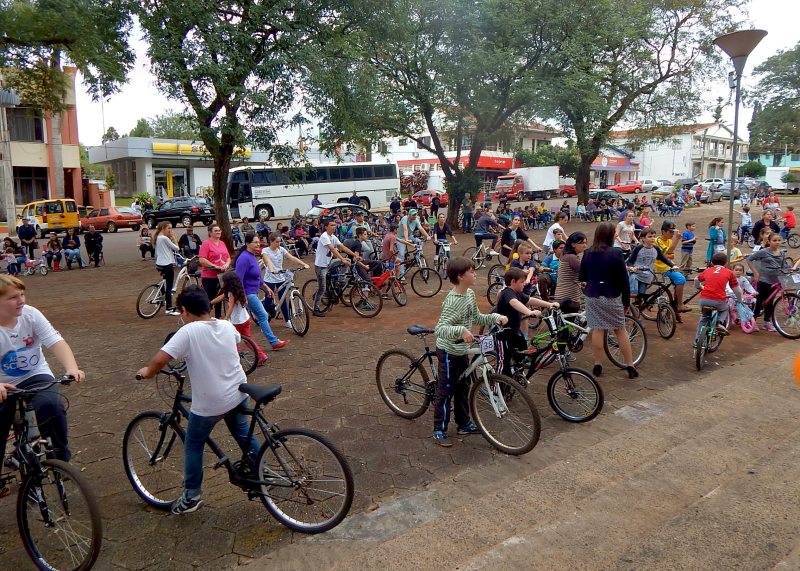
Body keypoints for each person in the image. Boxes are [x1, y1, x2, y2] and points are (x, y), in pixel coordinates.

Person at [136, 286, 261, 514]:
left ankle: (191, 496)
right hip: (238, 392)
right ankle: (260, 471)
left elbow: (159, 360)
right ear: (209, 306)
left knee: (193, 444)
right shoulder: (225, 324)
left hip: (211, 403)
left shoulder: (188, 332)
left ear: (184, 311)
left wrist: (147, 372)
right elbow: (230, 345)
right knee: (243, 432)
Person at [0, 275, 86, 498]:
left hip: (34, 374)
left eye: (22, 295)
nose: (21, 301)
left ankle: (59, 461)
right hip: (2, 383)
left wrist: (71, 368)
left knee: (52, 405)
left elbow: (55, 341)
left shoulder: (31, 314)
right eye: (13, 297)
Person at [432, 257, 507, 447]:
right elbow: (440, 328)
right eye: (471, 271)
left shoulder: (470, 294)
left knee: (463, 387)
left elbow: (476, 317)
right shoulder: (452, 301)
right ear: (460, 276)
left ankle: (463, 423)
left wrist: (495, 316)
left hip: (461, 349)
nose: (475, 274)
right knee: (445, 390)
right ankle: (439, 429)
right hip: (449, 351)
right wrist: (460, 331)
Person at [579, 222, 638, 379]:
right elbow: (624, 280)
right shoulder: (616, 252)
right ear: (609, 235)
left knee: (597, 329)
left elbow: (582, 276)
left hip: (592, 295)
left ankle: (598, 364)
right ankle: (630, 366)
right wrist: (626, 301)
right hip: (612, 294)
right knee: (620, 329)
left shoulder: (587, 253)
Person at [496, 268, 558, 373]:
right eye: (521, 282)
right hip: (503, 334)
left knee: (522, 352)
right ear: (513, 282)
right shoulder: (508, 293)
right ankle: (498, 386)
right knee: (503, 363)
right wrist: (529, 313)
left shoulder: (518, 292)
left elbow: (530, 300)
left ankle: (517, 375)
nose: (524, 284)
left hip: (514, 331)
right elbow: (514, 303)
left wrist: (549, 304)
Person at [234, 232, 289, 350]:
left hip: (253, 291)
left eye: (259, 242)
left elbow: (256, 276)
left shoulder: (251, 256)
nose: (258, 244)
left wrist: (266, 287)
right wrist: (243, 295)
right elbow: (238, 279)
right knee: (262, 315)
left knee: (242, 320)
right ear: (248, 244)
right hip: (248, 293)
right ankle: (273, 342)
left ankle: (234, 343)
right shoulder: (244, 258)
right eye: (255, 242)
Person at [211, 272, 268, 366]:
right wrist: (211, 302)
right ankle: (261, 355)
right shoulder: (238, 290)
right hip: (245, 318)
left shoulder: (231, 293)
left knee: (230, 339)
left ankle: (232, 358)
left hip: (236, 321)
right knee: (247, 339)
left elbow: (231, 306)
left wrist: (226, 318)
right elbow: (222, 297)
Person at [694, 252, 743, 348]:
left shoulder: (708, 270)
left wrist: (699, 287)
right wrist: (740, 300)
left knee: (704, 317)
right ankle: (719, 323)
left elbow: (696, 279)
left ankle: (697, 340)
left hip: (704, 300)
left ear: (712, 262)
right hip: (719, 301)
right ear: (726, 263)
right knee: (725, 308)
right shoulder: (729, 272)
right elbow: (737, 290)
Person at [262, 231, 309, 328]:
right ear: (271, 241)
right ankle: (264, 322)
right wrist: (271, 270)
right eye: (277, 242)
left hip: (280, 277)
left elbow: (292, 258)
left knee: (282, 299)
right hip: (270, 278)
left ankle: (287, 320)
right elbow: (267, 261)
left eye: (280, 242)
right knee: (268, 299)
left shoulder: (281, 249)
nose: (279, 244)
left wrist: (303, 264)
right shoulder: (265, 250)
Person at [312, 219, 357, 318]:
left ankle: (341, 280)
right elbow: (332, 249)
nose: (334, 227)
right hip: (321, 266)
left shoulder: (333, 237)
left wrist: (354, 255)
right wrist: (342, 259)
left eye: (334, 225)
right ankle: (315, 308)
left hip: (329, 263)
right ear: (326, 227)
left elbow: (343, 247)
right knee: (322, 288)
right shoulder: (324, 237)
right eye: (331, 225)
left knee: (348, 261)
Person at [627, 228, 675, 306]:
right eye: (649, 237)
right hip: (635, 274)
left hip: (647, 275)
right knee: (633, 293)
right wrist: (632, 267)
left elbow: (663, 258)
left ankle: (637, 315)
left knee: (641, 297)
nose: (652, 238)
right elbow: (630, 261)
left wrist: (673, 265)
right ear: (643, 238)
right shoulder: (638, 248)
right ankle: (627, 307)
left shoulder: (656, 249)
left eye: (654, 236)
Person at [747, 232, 784, 332]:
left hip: (775, 280)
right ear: (769, 241)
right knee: (759, 300)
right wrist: (755, 273)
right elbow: (749, 259)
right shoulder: (764, 251)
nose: (777, 242)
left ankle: (767, 322)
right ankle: (752, 321)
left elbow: (782, 266)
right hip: (763, 279)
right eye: (774, 240)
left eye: (779, 241)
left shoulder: (782, 253)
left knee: (770, 301)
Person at [655, 220, 691, 313]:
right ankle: (680, 305)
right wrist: (677, 239)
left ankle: (675, 306)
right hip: (662, 267)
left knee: (678, 282)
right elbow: (669, 252)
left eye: (673, 232)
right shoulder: (658, 240)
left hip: (669, 265)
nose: (672, 234)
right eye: (670, 232)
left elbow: (671, 255)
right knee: (681, 279)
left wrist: (664, 255)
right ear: (664, 231)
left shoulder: (669, 241)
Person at [199, 224, 231, 319]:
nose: (218, 232)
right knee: (209, 296)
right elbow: (202, 259)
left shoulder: (222, 243)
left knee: (220, 295)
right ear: (210, 232)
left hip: (221, 275)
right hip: (209, 275)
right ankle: (204, 315)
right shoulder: (206, 244)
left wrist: (226, 264)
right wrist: (214, 266)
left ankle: (218, 315)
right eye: (216, 231)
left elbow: (228, 257)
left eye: (219, 230)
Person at [554, 232, 587, 314]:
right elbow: (586, 273)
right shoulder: (572, 258)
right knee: (568, 324)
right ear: (573, 244)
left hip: (561, 294)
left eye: (585, 243)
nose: (584, 246)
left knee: (566, 325)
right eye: (582, 243)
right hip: (570, 296)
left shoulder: (565, 255)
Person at [153, 221, 182, 316]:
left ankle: (163, 298)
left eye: (171, 228)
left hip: (160, 262)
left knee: (165, 282)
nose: (170, 230)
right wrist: (174, 237)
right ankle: (169, 308)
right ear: (163, 228)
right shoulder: (164, 238)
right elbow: (176, 248)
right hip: (167, 263)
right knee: (169, 286)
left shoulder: (158, 237)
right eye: (169, 228)